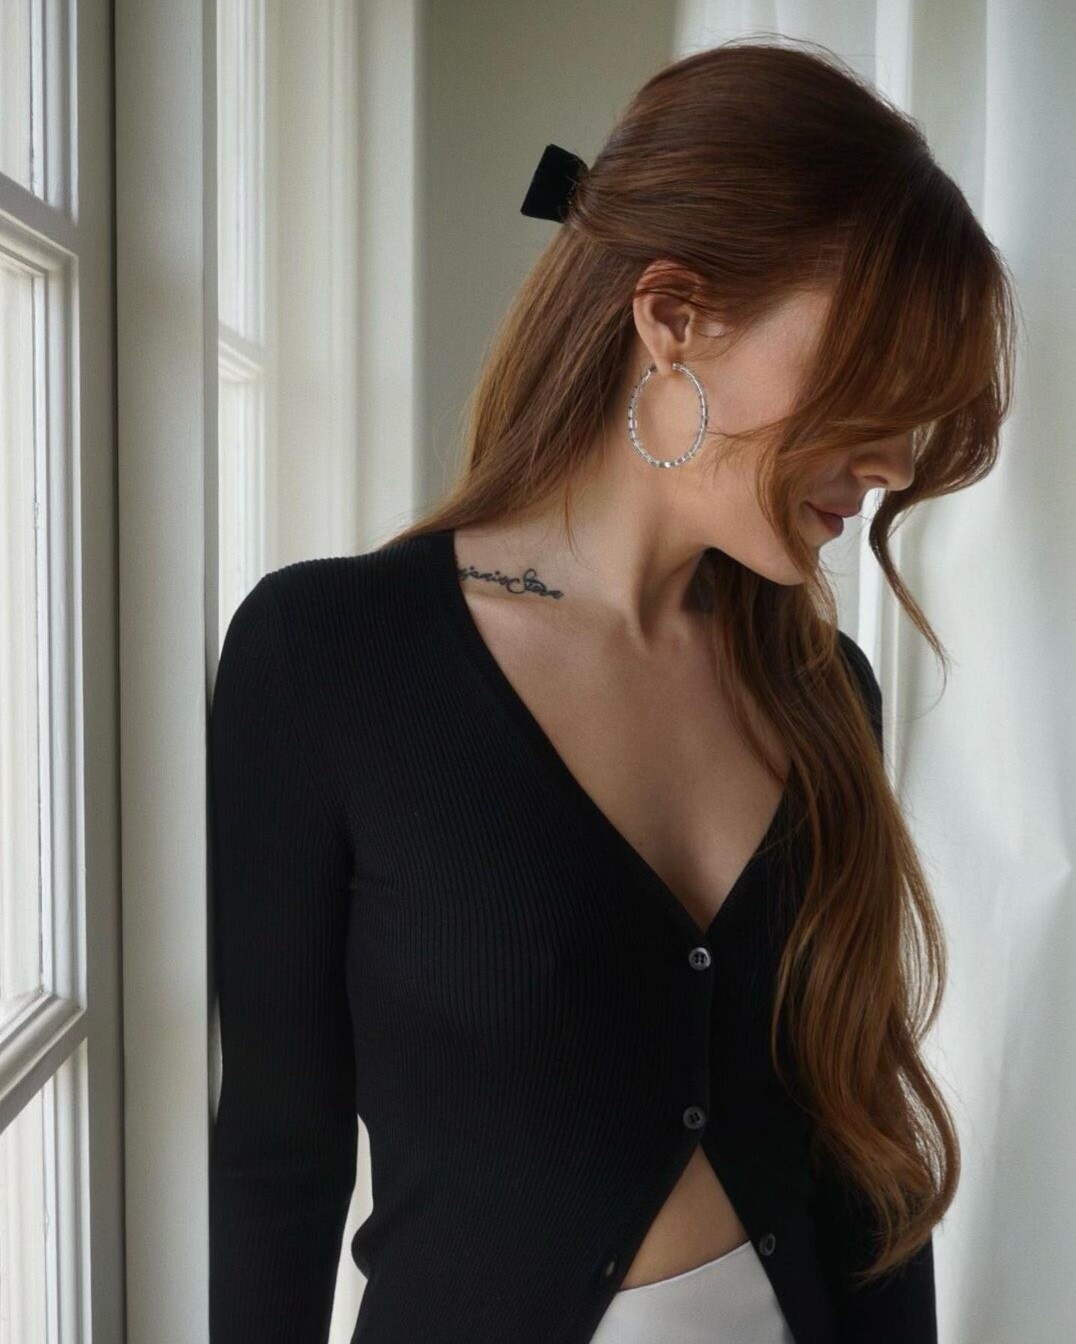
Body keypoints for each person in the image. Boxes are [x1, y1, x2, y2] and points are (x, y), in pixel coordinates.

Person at [207, 36, 1016, 1344]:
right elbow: (273, 1161)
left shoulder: (827, 695)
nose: (894, 460)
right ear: (673, 317)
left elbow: (864, 1159)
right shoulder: (328, 655)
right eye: (869, 380)